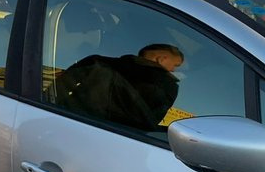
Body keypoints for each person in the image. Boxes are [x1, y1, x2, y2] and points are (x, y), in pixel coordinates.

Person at [54, 43, 184, 131]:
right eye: (175, 65)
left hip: (64, 126)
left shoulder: (96, 62)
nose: (173, 70)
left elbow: (55, 92)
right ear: (161, 59)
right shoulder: (167, 86)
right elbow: (149, 125)